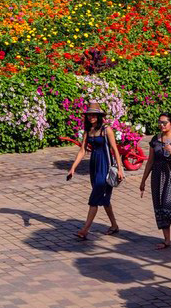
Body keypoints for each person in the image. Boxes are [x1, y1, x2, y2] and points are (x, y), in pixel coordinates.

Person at [66, 102, 125, 240]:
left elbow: (115, 149)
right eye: (89, 115)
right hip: (94, 165)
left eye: (94, 115)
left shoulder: (106, 129)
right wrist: (73, 167)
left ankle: (85, 230)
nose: (91, 117)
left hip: (105, 165)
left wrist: (120, 169)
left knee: (95, 197)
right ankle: (114, 225)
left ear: (99, 116)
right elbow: (82, 150)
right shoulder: (88, 130)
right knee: (103, 198)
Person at [140, 112, 171, 249]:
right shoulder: (155, 139)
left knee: (170, 205)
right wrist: (143, 180)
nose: (161, 125)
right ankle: (167, 240)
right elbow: (150, 161)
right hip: (157, 176)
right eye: (160, 122)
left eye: (164, 123)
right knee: (159, 207)